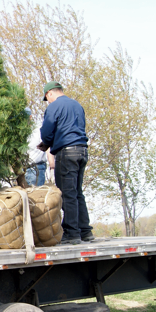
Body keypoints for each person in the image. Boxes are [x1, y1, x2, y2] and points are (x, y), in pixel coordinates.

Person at [37, 81, 95, 245]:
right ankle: (85, 231)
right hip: (82, 151)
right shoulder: (77, 105)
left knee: (67, 193)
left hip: (67, 152)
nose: (48, 101)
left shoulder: (54, 107)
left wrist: (47, 143)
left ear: (49, 93)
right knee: (77, 192)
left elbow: (47, 132)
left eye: (47, 98)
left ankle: (71, 233)